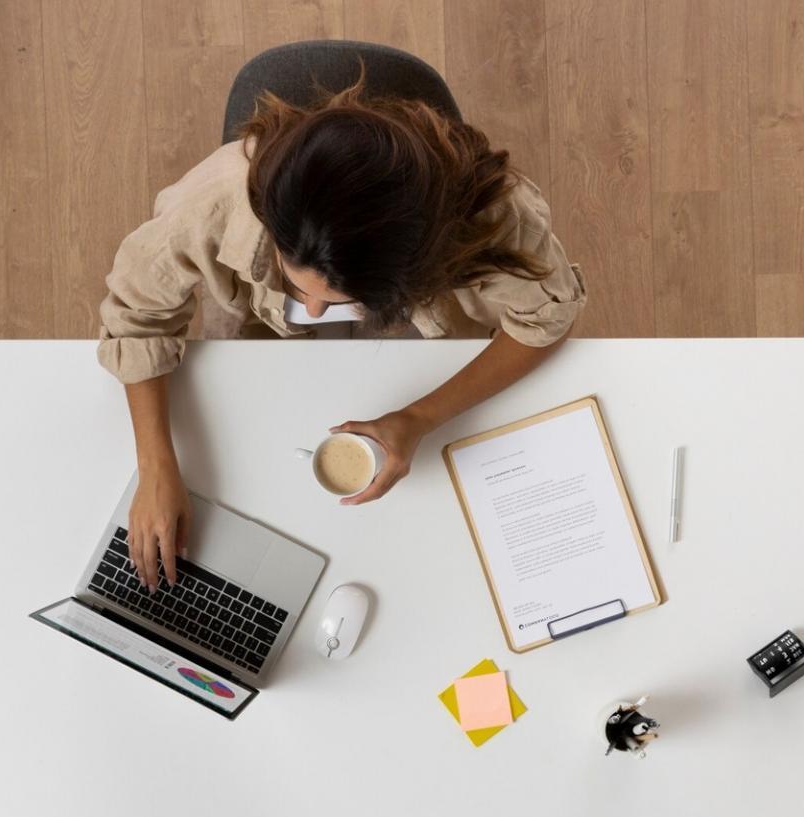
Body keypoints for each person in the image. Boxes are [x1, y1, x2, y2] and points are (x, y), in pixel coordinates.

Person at [97, 75, 587, 588]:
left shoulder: (499, 221)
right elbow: (135, 317)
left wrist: (419, 417)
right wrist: (154, 465)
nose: (309, 308)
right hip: (262, 345)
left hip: (424, 345)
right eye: (293, 276)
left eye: (336, 300)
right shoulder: (217, 199)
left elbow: (546, 320)